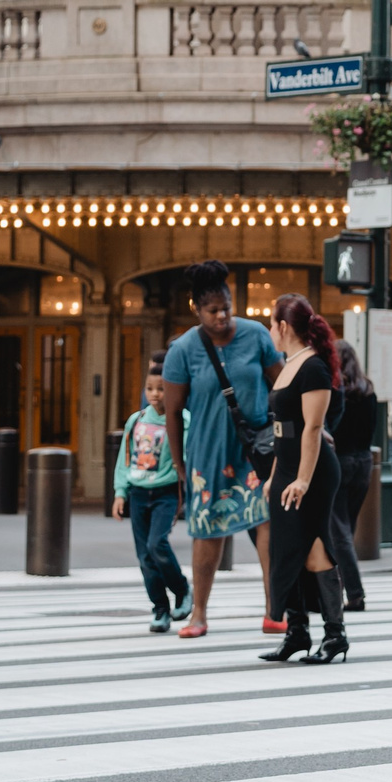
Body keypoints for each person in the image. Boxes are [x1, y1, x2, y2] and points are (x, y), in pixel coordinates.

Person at [160, 260, 279, 639]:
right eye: (212, 310)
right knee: (207, 531)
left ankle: (274, 610)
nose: (222, 316)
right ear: (196, 309)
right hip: (208, 453)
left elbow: (282, 386)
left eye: (226, 307)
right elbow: (173, 412)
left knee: (267, 524)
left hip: (256, 451)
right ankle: (199, 614)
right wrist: (179, 464)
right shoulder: (183, 349)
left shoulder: (256, 335)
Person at [258, 295, 346, 665]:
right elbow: (285, 431)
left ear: (283, 326)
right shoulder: (289, 364)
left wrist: (304, 480)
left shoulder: (313, 368)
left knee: (314, 548)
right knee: (286, 549)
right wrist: (275, 476)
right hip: (288, 471)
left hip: (313, 473)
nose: (269, 331)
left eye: (271, 324)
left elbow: (312, 429)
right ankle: (297, 633)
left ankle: (335, 635)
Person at [114, 367, 193, 634]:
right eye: (150, 389)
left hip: (166, 492)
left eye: (161, 389)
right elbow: (125, 458)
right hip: (138, 493)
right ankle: (160, 608)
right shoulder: (136, 420)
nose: (155, 394)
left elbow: (188, 453)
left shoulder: (182, 419)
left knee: (157, 543)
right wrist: (120, 492)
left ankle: (181, 589)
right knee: (145, 556)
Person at [327, 338, 377, 612]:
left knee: (339, 531)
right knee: (347, 526)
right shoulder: (367, 389)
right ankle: (341, 585)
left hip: (340, 460)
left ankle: (354, 593)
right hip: (364, 461)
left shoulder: (336, 390)